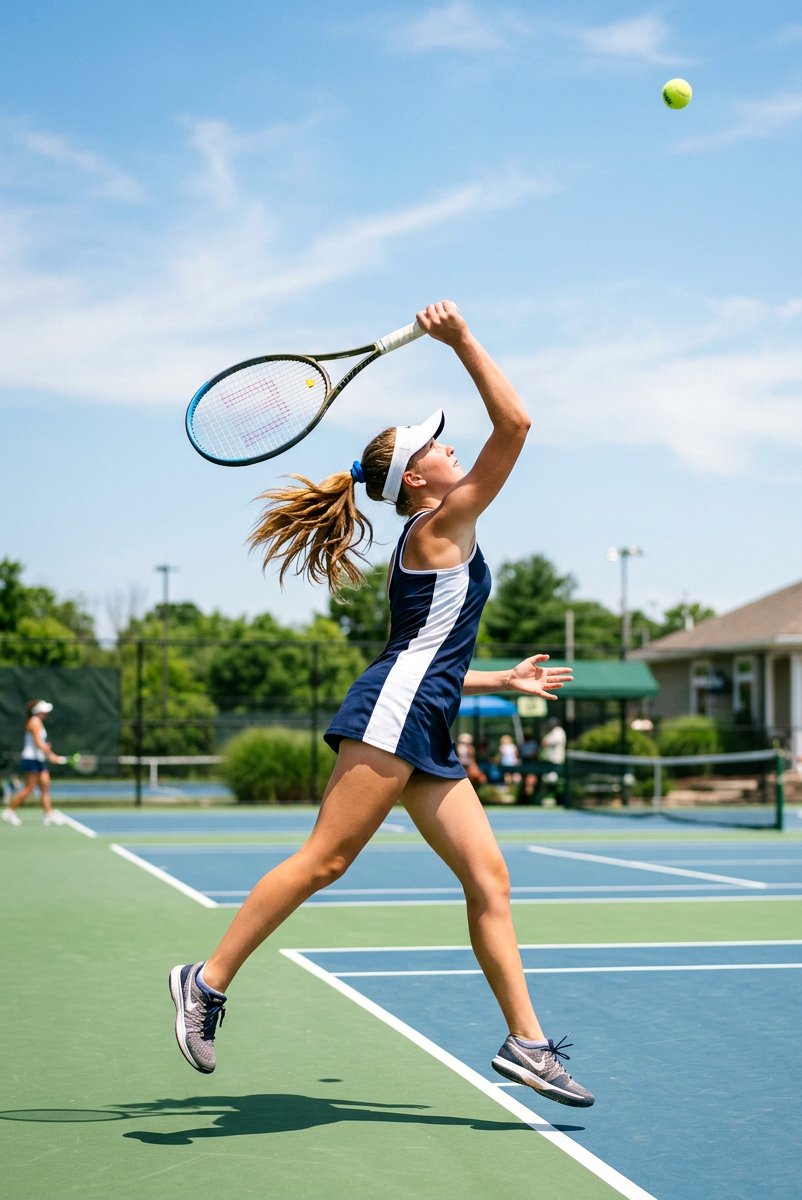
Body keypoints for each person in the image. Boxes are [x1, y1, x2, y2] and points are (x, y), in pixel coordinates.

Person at [169, 301, 594, 1108]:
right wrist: (461, 339)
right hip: (397, 715)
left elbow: (425, 657)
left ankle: (527, 1044)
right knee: (326, 861)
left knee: (490, 879)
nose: (450, 445)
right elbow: (517, 425)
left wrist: (499, 682)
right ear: (418, 480)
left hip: (421, 715)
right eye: (436, 444)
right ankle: (207, 980)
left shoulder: (437, 531)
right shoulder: (442, 522)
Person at [2, 700, 66, 827]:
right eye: (45, 711)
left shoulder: (38, 722)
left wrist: (48, 753)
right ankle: (9, 812)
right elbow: (38, 743)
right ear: (39, 712)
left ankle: (48, 814)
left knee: (45, 785)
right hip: (31, 759)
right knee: (29, 788)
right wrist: (51, 755)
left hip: (39, 759)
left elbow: (41, 744)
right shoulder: (34, 722)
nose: (47, 713)